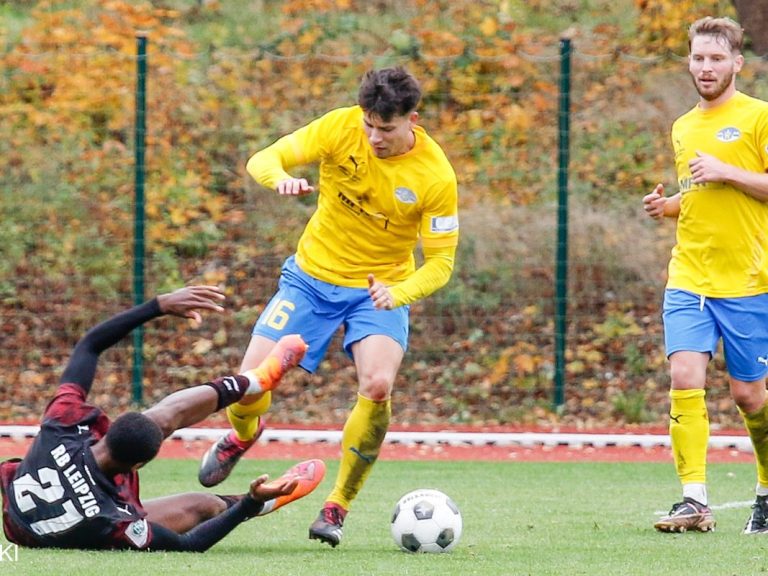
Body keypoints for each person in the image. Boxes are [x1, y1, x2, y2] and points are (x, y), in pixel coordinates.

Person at [197, 66, 459, 547]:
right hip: (311, 280)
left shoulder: (435, 176)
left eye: (387, 129)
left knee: (378, 385)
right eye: (369, 126)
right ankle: (242, 435)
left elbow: (441, 263)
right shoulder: (340, 127)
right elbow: (266, 157)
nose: (375, 137)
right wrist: (278, 178)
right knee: (249, 384)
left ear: (412, 120)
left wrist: (397, 294)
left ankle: (336, 506)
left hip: (380, 288)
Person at [0, 285, 326, 551]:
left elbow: (88, 346)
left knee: (159, 425)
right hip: (27, 528)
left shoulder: (64, 426)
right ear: (136, 468)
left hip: (30, 493)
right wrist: (249, 505)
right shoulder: (114, 520)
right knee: (201, 505)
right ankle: (267, 498)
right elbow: (190, 544)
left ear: (105, 434)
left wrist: (158, 305)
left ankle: (256, 380)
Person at [642, 16, 768, 534]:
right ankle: (693, 500)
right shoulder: (683, 126)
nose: (706, 67)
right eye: (698, 58)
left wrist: (727, 171)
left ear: (737, 63)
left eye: (716, 58)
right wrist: (666, 205)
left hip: (748, 281)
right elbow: (700, 194)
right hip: (689, 274)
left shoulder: (759, 117)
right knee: (684, 377)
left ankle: (765, 488)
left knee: (749, 397)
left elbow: (743, 184)